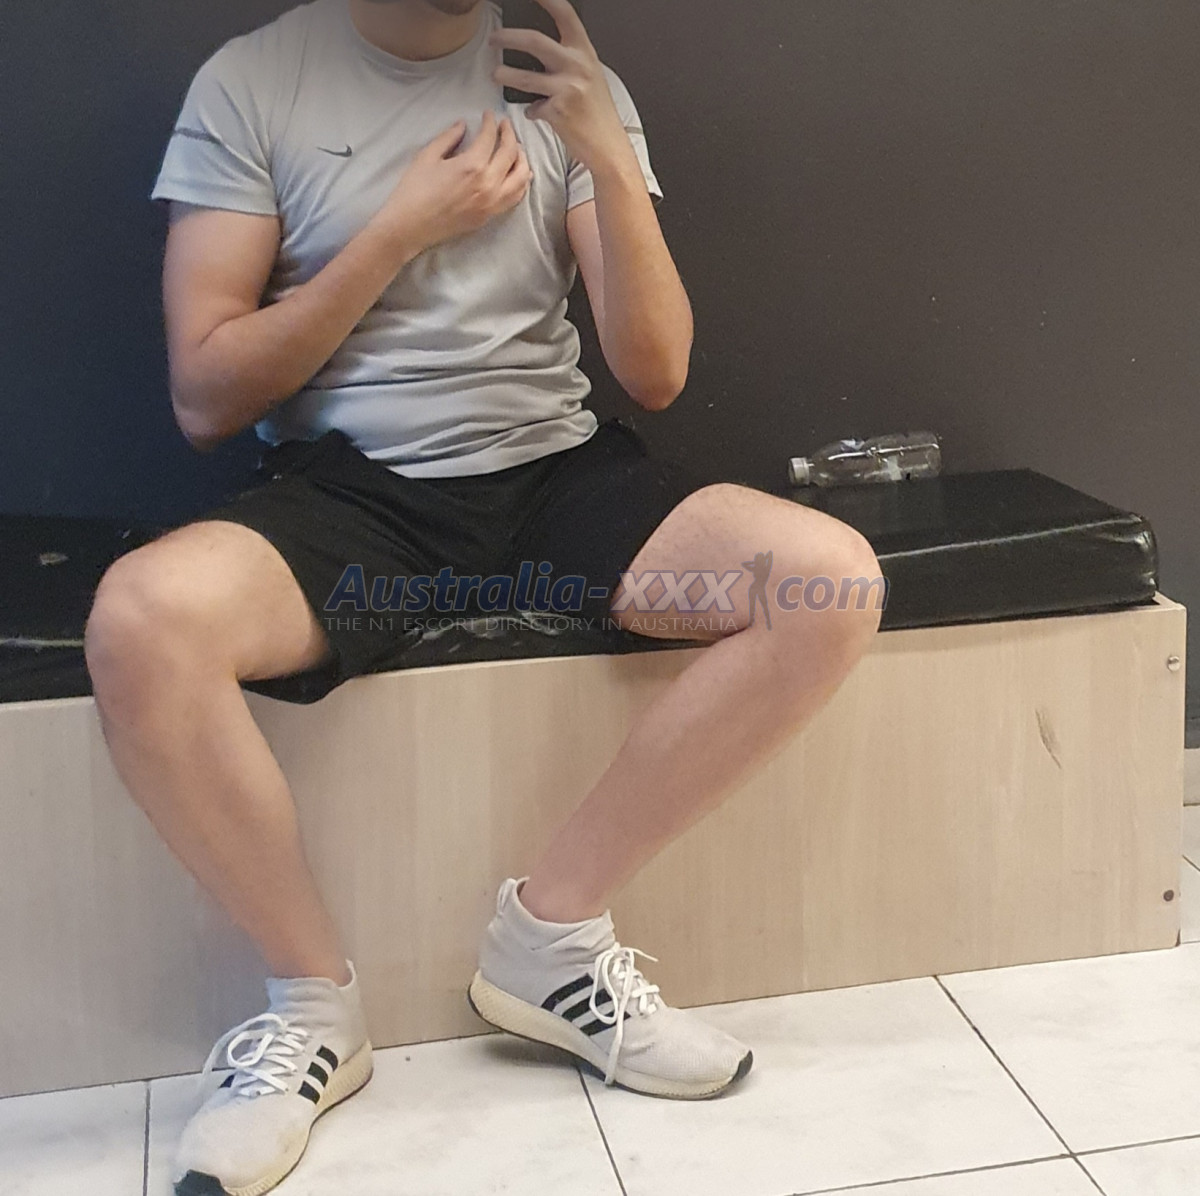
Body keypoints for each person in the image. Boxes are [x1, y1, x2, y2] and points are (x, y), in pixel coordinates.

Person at [84, 0, 883, 1191]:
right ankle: (311, 1006)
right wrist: (396, 233)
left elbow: (655, 370)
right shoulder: (253, 84)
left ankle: (551, 939)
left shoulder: (560, 76)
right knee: (142, 620)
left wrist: (602, 147)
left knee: (825, 581)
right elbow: (206, 393)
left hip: (555, 482)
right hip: (357, 498)